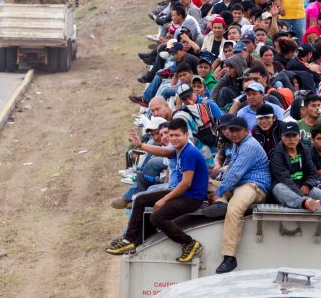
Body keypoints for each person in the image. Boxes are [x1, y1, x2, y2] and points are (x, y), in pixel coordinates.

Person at [105, 119, 208, 264]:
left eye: (177, 135)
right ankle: (129, 240)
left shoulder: (189, 152)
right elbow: (164, 152)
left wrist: (164, 200)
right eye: (171, 136)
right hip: (183, 193)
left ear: (186, 134)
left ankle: (189, 243)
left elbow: (186, 183)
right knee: (141, 199)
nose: (173, 139)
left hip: (192, 198)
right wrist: (141, 145)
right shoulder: (180, 149)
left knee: (157, 217)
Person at [201, 116, 271, 274]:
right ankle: (221, 203)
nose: (232, 133)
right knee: (203, 184)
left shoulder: (250, 145)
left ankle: (229, 257)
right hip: (238, 184)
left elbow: (235, 174)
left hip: (254, 185)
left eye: (236, 130)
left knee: (234, 208)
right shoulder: (236, 145)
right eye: (230, 130)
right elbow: (231, 171)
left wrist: (219, 191)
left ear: (246, 131)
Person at [110, 118, 172, 209]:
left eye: (158, 133)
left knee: (152, 165)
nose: (156, 137)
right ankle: (134, 196)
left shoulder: (175, 146)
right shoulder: (155, 142)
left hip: (175, 186)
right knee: (146, 173)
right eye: (153, 134)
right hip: (161, 180)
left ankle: (133, 197)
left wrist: (141, 145)